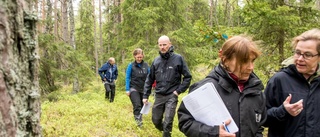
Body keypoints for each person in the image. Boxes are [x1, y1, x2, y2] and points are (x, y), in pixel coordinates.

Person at [177, 35, 267, 137]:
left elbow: (258, 128)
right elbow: (185, 122)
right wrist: (213, 132)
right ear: (225, 60)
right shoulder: (205, 89)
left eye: (252, 60)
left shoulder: (256, 91)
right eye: (244, 61)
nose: (251, 67)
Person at [264, 28, 320, 137]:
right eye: (297, 52)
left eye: (307, 55)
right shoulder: (279, 80)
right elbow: (261, 118)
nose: (299, 59)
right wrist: (283, 111)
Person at [143, 35, 192, 137]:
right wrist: (145, 96)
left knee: (168, 121)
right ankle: (164, 130)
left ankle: (166, 132)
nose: (162, 47)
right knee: (156, 121)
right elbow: (149, 79)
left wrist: (178, 91)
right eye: (160, 45)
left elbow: (187, 77)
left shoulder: (178, 59)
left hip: (172, 95)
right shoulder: (156, 61)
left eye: (164, 45)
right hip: (159, 95)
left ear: (170, 44)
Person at [125, 48, 149, 127]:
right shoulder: (131, 65)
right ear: (134, 56)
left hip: (143, 89)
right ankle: (139, 123)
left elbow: (150, 76)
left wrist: (152, 86)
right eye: (138, 57)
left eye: (141, 57)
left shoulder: (146, 65)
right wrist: (127, 89)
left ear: (143, 56)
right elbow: (127, 77)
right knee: (137, 105)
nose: (139, 58)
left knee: (142, 105)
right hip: (133, 88)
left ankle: (139, 117)